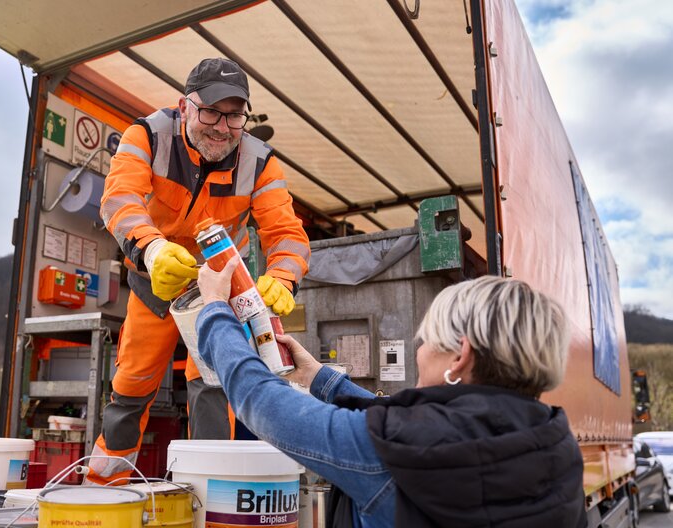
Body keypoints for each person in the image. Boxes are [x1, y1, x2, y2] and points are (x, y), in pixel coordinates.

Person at [196, 262, 587, 528]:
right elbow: (412, 430)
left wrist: (214, 311)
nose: (418, 352)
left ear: (459, 354)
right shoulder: (557, 446)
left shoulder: (403, 449)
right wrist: (320, 377)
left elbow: (261, 401)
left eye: (426, 340)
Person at [88, 57, 311, 485]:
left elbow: (287, 234)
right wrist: (152, 252)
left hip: (218, 290)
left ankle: (209, 497)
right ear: (185, 105)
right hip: (155, 283)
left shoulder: (260, 161)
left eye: (235, 115)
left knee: (213, 389)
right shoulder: (148, 135)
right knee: (131, 387)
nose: (223, 126)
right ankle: (103, 491)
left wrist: (283, 278)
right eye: (211, 111)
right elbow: (119, 200)